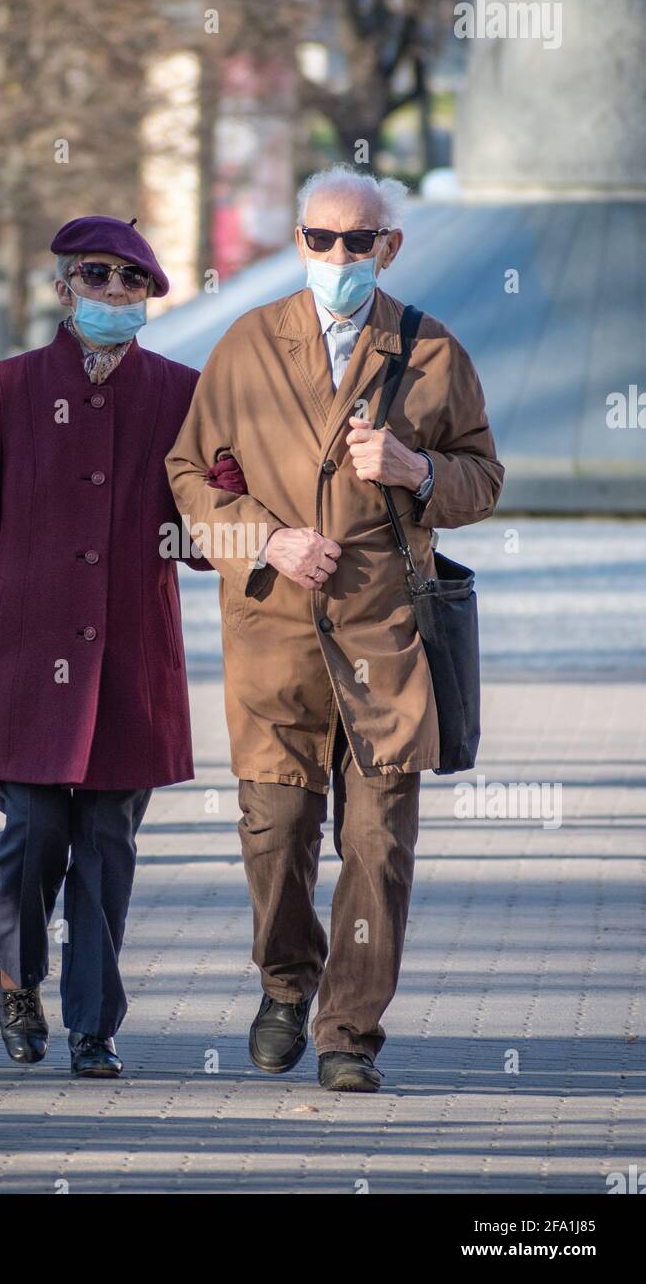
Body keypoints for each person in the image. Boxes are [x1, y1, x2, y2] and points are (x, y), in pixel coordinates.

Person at [166, 166, 504, 1092]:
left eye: (360, 241)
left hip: (388, 633)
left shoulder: (431, 350)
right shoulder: (246, 343)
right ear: (300, 243)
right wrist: (265, 538)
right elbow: (190, 475)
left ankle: (348, 1029)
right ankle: (285, 982)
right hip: (275, 625)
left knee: (379, 843)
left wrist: (416, 469)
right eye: (321, 239)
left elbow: (485, 476)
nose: (339, 256)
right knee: (274, 831)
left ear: (389, 246)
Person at [0, 215, 221, 1077]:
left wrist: (228, 486)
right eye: (96, 276)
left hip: (129, 670)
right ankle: (19, 981)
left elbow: (200, 542)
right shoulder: (3, 390)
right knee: (32, 841)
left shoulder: (182, 392)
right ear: (63, 288)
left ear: (151, 298)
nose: (114, 293)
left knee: (108, 854)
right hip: (19, 662)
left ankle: (94, 1025)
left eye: (132, 282)